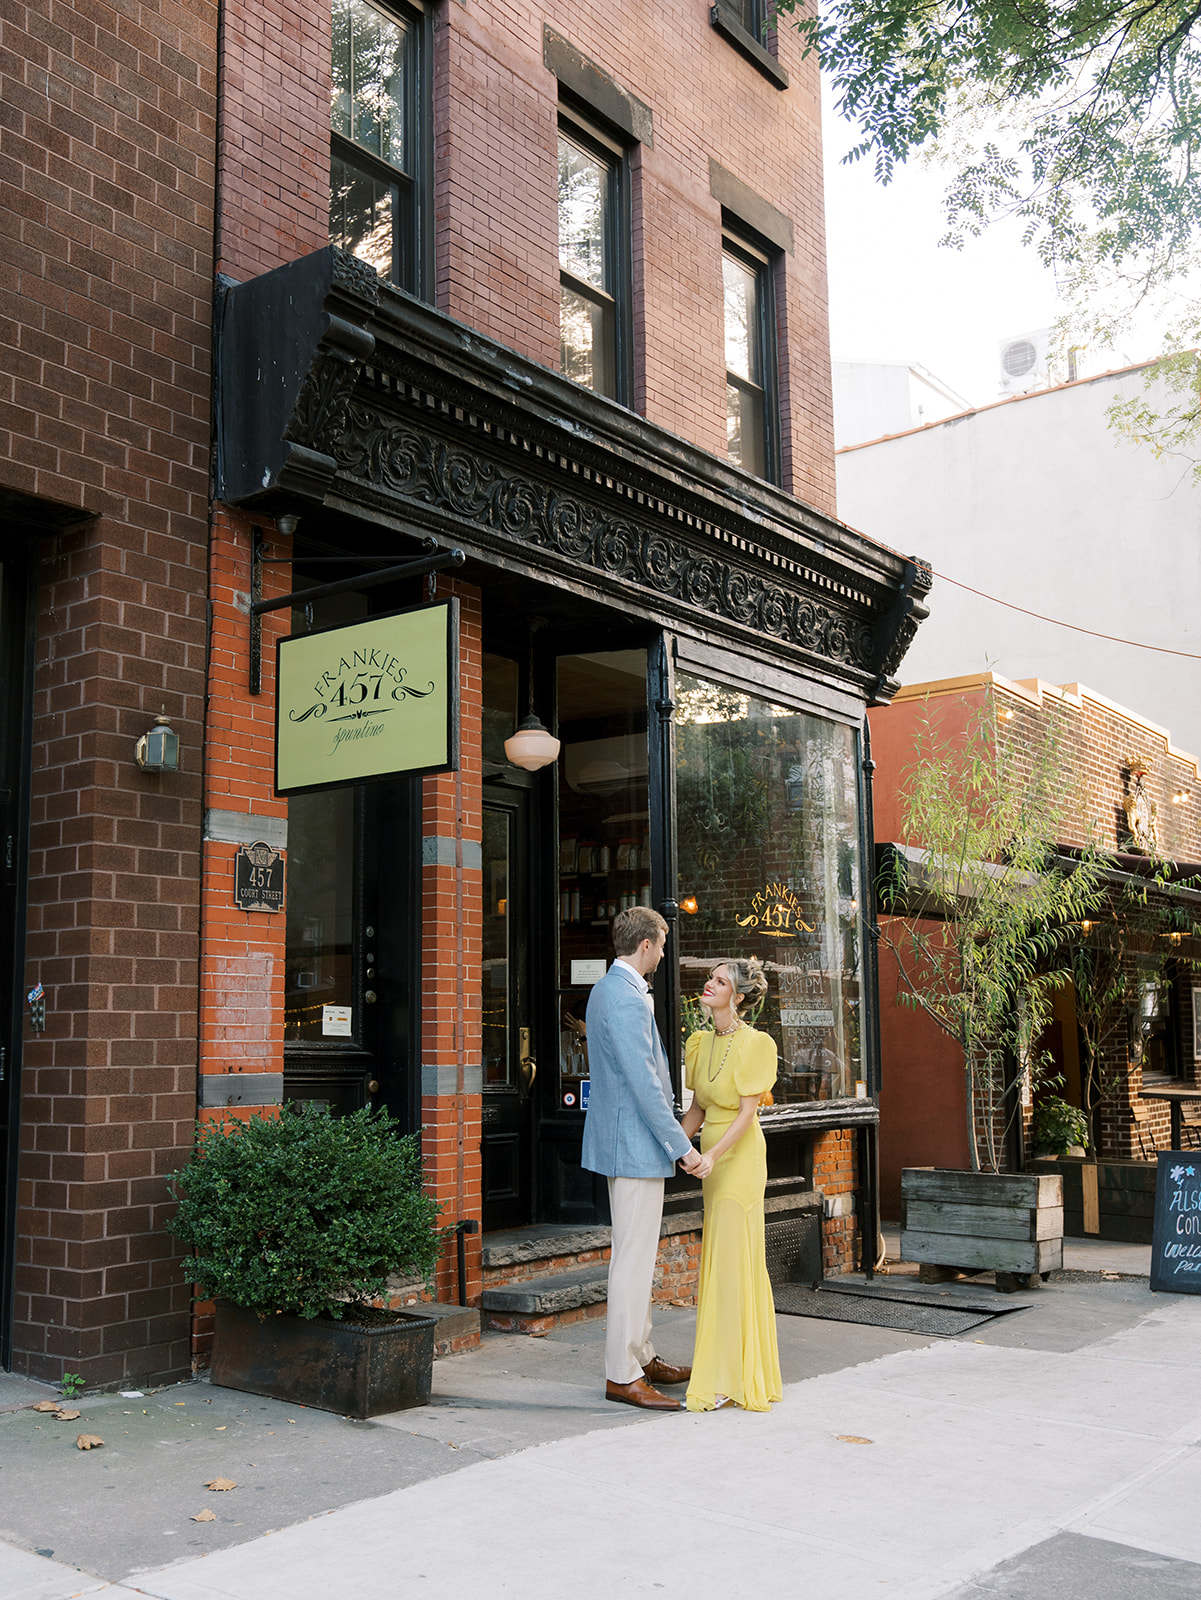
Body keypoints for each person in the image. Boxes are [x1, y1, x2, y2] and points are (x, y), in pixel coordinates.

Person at [582, 906, 704, 1412]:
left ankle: (642, 1355)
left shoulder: (610, 990)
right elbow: (645, 1085)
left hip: (627, 1143)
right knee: (632, 1264)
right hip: (632, 1146)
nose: (663, 952)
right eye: (662, 944)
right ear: (648, 945)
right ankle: (624, 1375)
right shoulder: (626, 998)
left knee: (638, 1259)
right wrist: (684, 1148)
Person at [682, 957, 782, 1412]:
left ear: (738, 997)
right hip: (709, 1157)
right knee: (719, 1260)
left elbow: (747, 1113)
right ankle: (727, 1368)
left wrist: (711, 1156)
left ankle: (732, 1377)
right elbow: (698, 1111)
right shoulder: (699, 1043)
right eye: (710, 978)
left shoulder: (756, 1043)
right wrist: (673, 1147)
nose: (710, 984)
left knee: (733, 1259)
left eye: (720, 981)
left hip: (738, 1159)